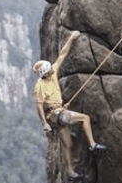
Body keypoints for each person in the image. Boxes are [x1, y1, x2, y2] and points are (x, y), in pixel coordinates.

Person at [34, 30, 106, 174]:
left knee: (68, 144)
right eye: (49, 71)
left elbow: (62, 54)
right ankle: (92, 144)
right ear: (45, 73)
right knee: (85, 118)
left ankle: (71, 172)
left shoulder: (53, 71)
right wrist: (44, 123)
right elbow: (39, 105)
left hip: (56, 116)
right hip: (56, 115)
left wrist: (72, 39)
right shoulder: (39, 87)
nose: (52, 71)